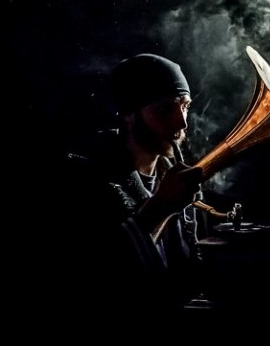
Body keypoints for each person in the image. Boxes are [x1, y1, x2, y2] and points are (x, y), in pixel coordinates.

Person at [58, 53, 205, 331]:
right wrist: (161, 207)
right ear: (128, 113)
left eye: (185, 106)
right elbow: (98, 274)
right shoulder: (84, 175)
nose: (182, 122)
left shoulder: (179, 178)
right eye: (165, 109)